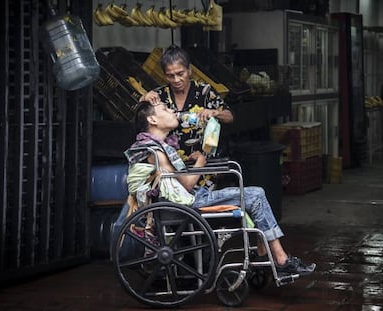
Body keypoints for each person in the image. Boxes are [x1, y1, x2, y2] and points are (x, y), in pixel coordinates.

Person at [124, 101, 316, 276]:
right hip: (189, 204)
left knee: (254, 197)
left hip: (185, 201)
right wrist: (201, 159)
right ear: (153, 119)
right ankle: (280, 260)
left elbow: (176, 180)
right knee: (256, 195)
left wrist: (194, 162)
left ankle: (264, 256)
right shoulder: (157, 151)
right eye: (165, 109)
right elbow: (188, 183)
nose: (172, 111)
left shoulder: (154, 146)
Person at [140, 44, 233, 189]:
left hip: (201, 166)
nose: (176, 80)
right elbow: (142, 114)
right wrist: (144, 97)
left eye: (180, 73)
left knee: (202, 205)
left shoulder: (204, 92)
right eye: (170, 76)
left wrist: (215, 112)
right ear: (165, 75)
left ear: (189, 70)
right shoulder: (159, 95)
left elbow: (229, 117)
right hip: (170, 169)